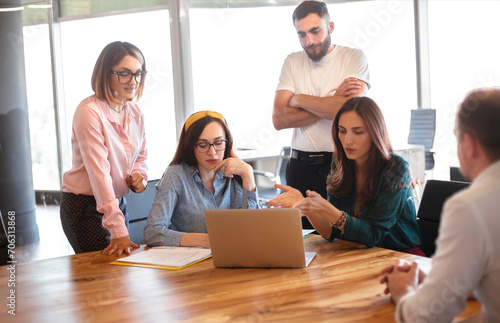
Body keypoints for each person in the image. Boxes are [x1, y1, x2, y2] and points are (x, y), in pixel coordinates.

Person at [380, 88, 500, 322]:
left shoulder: (470, 206)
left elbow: (426, 316)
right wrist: (443, 281)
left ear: (469, 144)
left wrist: (403, 290)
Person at [269, 97, 422, 254]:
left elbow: (374, 235)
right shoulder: (341, 164)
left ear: (375, 133)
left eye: (358, 132)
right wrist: (307, 206)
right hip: (359, 253)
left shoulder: (396, 168)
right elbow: (332, 233)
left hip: (401, 257)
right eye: (342, 131)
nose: (348, 140)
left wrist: (328, 209)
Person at [273, 0, 370, 229]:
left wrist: (297, 99)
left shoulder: (354, 58)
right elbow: (278, 119)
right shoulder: (292, 61)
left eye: (315, 31)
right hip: (299, 166)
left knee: (342, 237)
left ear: (331, 27)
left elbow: (349, 111)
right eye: (302, 34)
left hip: (341, 164)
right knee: (302, 243)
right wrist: (332, 100)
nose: (310, 41)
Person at [60, 41, 148, 256]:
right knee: (103, 277)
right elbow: (100, 175)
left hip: (116, 203)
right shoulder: (89, 112)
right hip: (85, 206)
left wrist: (140, 176)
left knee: (121, 274)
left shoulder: (135, 112)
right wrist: (118, 228)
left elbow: (141, 157)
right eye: (125, 73)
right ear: (105, 74)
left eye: (138, 73)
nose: (133, 81)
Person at [144, 111, 261, 248]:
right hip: (189, 263)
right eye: (202, 145)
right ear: (190, 146)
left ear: (227, 143)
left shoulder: (236, 173)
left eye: (218, 143)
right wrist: (202, 240)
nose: (212, 152)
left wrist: (248, 174)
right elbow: (152, 233)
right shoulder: (176, 174)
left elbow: (255, 230)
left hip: (233, 258)